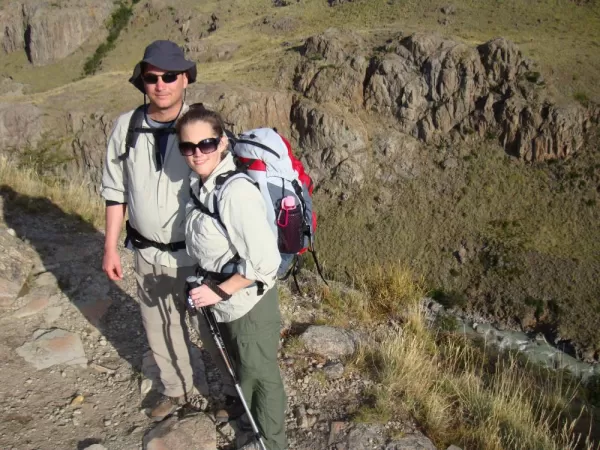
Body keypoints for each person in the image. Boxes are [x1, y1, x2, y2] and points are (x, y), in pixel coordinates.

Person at [100, 40, 237, 422]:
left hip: (200, 256)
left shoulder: (201, 128)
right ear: (142, 81)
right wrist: (110, 247)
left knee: (214, 329)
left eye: (170, 76)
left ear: (186, 79)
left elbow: (229, 191)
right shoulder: (126, 127)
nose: (161, 84)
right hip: (147, 252)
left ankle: (232, 394)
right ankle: (178, 392)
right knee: (159, 326)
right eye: (151, 77)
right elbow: (115, 191)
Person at [180, 105, 287, 450]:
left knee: (261, 374)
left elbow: (265, 262)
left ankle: (271, 444)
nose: (197, 153)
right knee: (245, 368)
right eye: (188, 146)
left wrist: (219, 291)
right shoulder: (201, 186)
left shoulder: (235, 193)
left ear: (222, 143)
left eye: (206, 144)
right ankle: (251, 425)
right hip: (225, 298)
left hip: (249, 303)